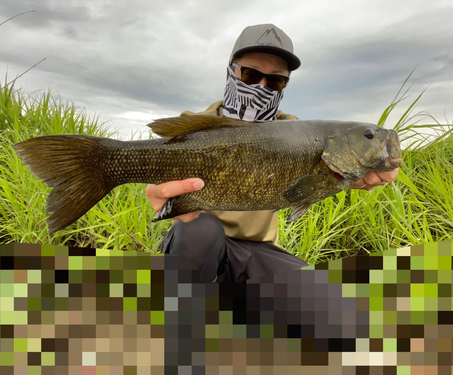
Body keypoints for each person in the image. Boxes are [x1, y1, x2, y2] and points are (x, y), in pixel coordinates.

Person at [145, 24, 400, 283]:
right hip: (198, 244)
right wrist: (162, 196)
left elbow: (322, 175)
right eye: (250, 75)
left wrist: (375, 164)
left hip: (259, 252)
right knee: (200, 230)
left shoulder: (297, 134)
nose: (262, 86)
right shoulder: (195, 126)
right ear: (231, 72)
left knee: (325, 301)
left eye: (275, 80)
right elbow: (160, 182)